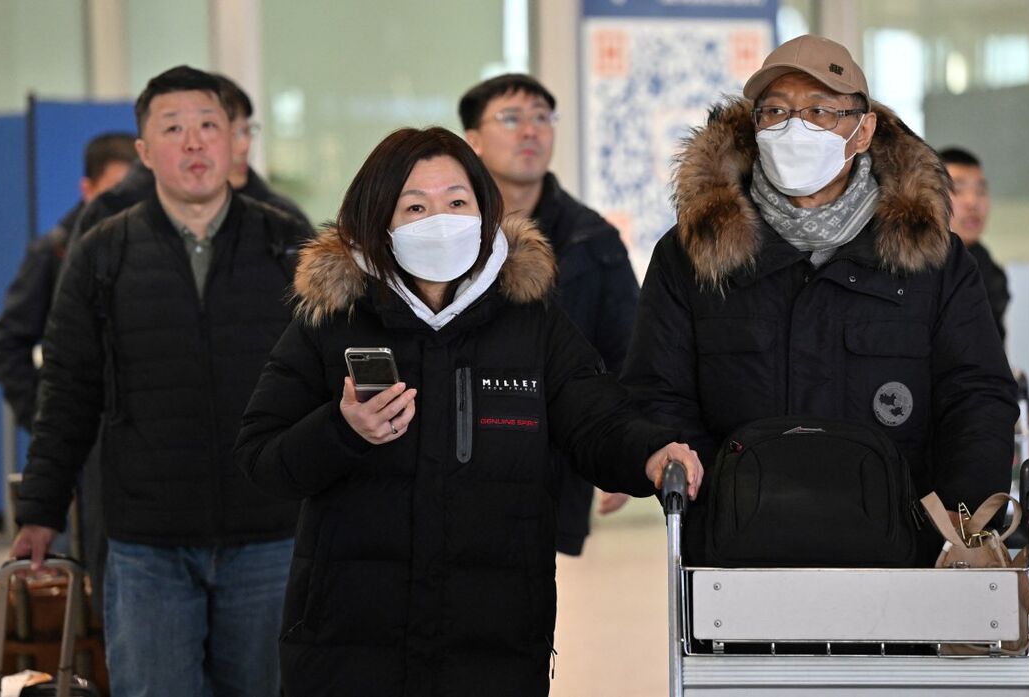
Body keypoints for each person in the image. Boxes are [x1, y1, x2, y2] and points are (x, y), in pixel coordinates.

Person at [233, 126, 703, 696]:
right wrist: (343, 430)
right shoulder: (336, 321)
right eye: (415, 206)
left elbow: (596, 416)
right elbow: (262, 456)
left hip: (494, 640)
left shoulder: (530, 321)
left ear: (484, 211)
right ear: (378, 220)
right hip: (349, 642)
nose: (440, 219)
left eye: (457, 202)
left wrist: (650, 451)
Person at [621, 34, 1018, 562]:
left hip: (902, 558)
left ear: (862, 130)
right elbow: (658, 393)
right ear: (755, 126)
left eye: (820, 111)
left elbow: (977, 397)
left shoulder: (931, 256)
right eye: (776, 112)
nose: (795, 127)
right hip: (738, 558)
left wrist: (955, 528)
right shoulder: (693, 251)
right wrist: (722, 503)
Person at [11, 66, 310, 697]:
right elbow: (68, 390)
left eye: (209, 126)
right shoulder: (103, 252)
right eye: (173, 129)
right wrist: (40, 510)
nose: (195, 142)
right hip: (146, 542)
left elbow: (327, 380)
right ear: (145, 152)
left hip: (271, 535)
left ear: (236, 140)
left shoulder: (287, 244)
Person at [459, 73, 639, 555]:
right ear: (472, 140)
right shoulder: (447, 230)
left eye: (542, 118)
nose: (531, 131)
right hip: (456, 458)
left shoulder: (592, 238)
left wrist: (625, 447)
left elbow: (625, 351)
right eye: (511, 118)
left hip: (550, 466)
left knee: (529, 609)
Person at [0, 132, 136, 431]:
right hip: (81, 436)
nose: (126, 208)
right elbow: (7, 342)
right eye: (114, 194)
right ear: (88, 189)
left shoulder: (156, 247)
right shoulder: (54, 251)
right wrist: (44, 417)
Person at [68, 72, 310, 248]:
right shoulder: (111, 215)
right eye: (175, 129)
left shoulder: (281, 221)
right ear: (145, 150)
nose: (244, 145)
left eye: (247, 131)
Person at [939, 147, 1010, 342]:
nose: (972, 202)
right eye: (957, 190)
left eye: (981, 191)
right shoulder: (913, 270)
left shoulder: (988, 269)